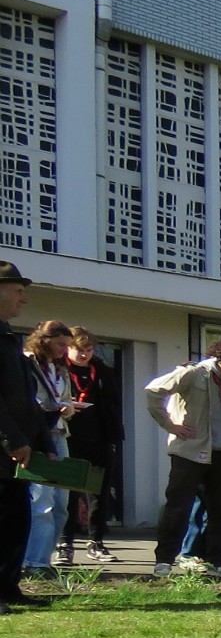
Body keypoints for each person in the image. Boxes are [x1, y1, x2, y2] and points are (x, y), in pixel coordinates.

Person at [145, 339, 221, 580]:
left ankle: (218, 562)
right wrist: (171, 425)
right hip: (189, 451)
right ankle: (164, 561)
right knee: (177, 507)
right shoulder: (194, 374)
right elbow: (154, 391)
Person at [0, 261, 51, 610]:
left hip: (17, 453)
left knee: (16, 519)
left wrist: (42, 443)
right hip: (6, 447)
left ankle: (7, 587)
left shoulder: (8, 337)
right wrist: (12, 439)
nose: (23, 300)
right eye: (18, 291)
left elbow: (25, 398)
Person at [22, 321, 79, 575]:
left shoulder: (60, 368)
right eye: (60, 344)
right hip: (37, 435)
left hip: (59, 433)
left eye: (67, 346)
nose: (64, 351)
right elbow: (24, 400)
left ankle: (45, 557)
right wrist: (53, 406)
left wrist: (67, 406)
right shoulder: (27, 361)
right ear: (44, 339)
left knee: (61, 502)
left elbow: (62, 397)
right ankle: (34, 562)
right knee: (41, 500)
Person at [61, 328, 122, 566]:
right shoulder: (59, 369)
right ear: (68, 347)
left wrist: (114, 437)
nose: (85, 355)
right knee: (68, 493)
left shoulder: (103, 371)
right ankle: (65, 543)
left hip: (100, 439)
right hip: (70, 438)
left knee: (99, 494)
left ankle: (96, 542)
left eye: (89, 350)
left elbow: (114, 404)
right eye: (79, 350)